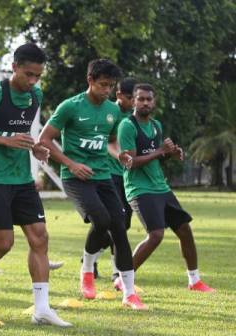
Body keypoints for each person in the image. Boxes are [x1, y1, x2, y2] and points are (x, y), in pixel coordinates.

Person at [0, 43, 70, 327]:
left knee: (40, 237)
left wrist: (35, 148)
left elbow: (22, 133)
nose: (33, 81)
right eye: (28, 74)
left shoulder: (35, 95)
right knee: (3, 243)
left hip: (22, 179)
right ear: (14, 67)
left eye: (38, 76)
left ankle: (42, 309)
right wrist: (6, 141)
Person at [39, 59, 147, 310]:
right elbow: (45, 139)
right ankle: (87, 270)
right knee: (102, 220)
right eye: (102, 85)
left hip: (102, 177)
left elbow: (109, 140)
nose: (107, 90)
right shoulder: (70, 107)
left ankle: (129, 293)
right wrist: (71, 163)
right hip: (76, 178)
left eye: (110, 86)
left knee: (119, 226)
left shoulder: (112, 110)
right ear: (90, 81)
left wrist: (118, 153)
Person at [117, 83, 214, 292]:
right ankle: (122, 279)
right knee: (156, 235)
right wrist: (161, 150)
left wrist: (170, 154)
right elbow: (130, 161)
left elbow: (155, 159)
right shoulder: (127, 126)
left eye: (148, 99)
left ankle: (194, 281)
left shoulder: (156, 126)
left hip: (161, 187)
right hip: (139, 189)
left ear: (154, 102)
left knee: (184, 230)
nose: (145, 102)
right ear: (133, 101)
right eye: (140, 98)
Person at [84, 77, 137, 282]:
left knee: (122, 225)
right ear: (119, 95)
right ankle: (114, 269)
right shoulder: (109, 112)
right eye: (130, 97)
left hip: (127, 178)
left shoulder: (134, 118)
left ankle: (92, 258)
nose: (134, 101)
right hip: (108, 176)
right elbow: (106, 142)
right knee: (110, 223)